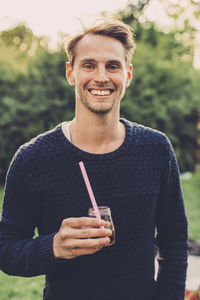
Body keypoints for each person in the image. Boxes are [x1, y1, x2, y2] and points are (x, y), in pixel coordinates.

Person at [0, 19, 188, 300]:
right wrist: (53, 247)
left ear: (128, 75)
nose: (101, 76)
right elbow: (6, 250)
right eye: (88, 65)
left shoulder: (156, 148)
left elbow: (175, 239)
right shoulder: (32, 159)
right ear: (70, 73)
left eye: (112, 66)